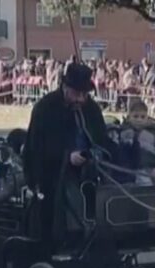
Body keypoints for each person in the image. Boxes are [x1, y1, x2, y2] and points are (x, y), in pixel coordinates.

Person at [23, 62, 118, 244]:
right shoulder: (45, 108)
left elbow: (100, 137)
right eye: (77, 94)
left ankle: (108, 229)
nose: (81, 99)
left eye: (84, 94)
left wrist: (99, 153)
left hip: (91, 166)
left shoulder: (91, 108)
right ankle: (72, 234)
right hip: (54, 171)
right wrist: (67, 157)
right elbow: (37, 147)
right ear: (65, 87)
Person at [118, 99, 155, 185]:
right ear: (129, 117)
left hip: (154, 168)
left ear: (147, 117)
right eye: (135, 116)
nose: (139, 120)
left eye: (142, 117)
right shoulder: (121, 131)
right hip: (129, 171)